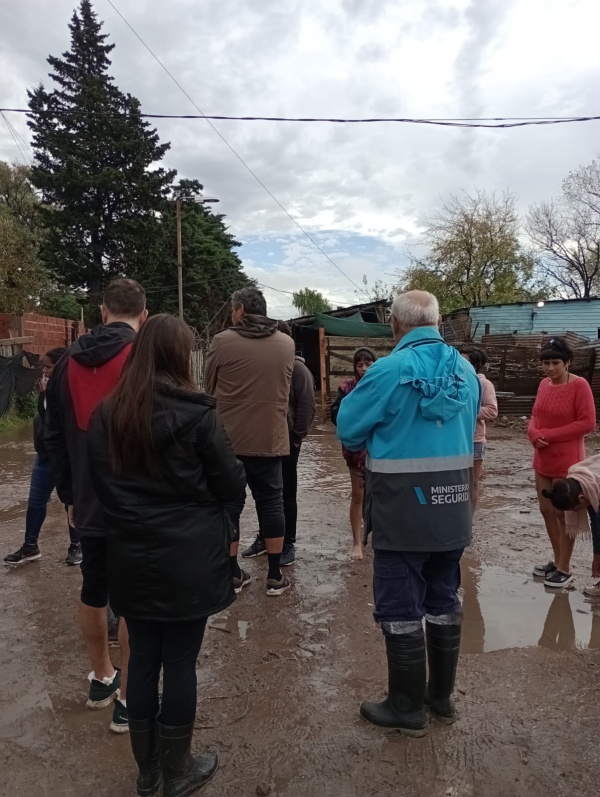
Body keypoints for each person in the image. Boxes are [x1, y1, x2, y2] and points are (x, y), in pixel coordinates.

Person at [88, 314, 246, 797]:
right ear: (180, 356)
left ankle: (148, 773)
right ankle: (178, 771)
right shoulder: (198, 414)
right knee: (179, 663)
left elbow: (99, 486)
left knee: (140, 660)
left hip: (129, 556)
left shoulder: (107, 414)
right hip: (188, 560)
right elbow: (231, 484)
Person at [337, 290, 480, 737]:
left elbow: (348, 429)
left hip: (402, 509)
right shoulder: (466, 372)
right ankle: (440, 697)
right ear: (437, 322)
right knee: (443, 599)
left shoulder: (387, 371)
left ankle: (405, 706)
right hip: (453, 508)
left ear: (396, 325)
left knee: (400, 606)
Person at [44, 278, 148, 733]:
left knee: (94, 587)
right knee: (135, 600)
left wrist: (69, 495)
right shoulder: (144, 358)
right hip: (138, 501)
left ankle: (102, 678)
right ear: (143, 315)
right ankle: (129, 699)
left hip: (87, 499)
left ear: (102, 312)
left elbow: (50, 438)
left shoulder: (66, 363)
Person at [205, 287, 295, 596]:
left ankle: (233, 573)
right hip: (270, 438)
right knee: (271, 502)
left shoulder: (221, 341)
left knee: (230, 504)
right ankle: (274, 575)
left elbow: (208, 388)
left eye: (233, 310)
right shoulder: (286, 344)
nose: (232, 315)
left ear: (241, 309)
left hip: (228, 441)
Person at [242, 321, 315, 567]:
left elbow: (307, 405)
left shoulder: (298, 370)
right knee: (262, 493)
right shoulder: (264, 368)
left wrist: (296, 438)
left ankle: (288, 542)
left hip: (286, 442)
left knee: (286, 494)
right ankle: (265, 537)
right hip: (262, 439)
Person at [527, 337, 596, 588]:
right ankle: (557, 561)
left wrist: (549, 435)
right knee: (547, 510)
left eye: (555, 362)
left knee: (563, 514)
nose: (550, 368)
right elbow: (535, 415)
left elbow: (587, 423)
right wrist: (532, 433)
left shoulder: (580, 386)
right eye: (546, 363)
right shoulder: (543, 384)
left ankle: (565, 567)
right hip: (542, 457)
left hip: (568, 461)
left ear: (567, 362)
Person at [4, 347, 82, 567]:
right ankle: (30, 546)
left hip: (66, 459)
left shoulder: (72, 393)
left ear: (62, 367)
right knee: (36, 501)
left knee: (71, 501)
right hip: (45, 457)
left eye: (48, 367)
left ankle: (76, 545)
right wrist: (44, 395)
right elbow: (45, 420)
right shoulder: (47, 391)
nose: (44, 371)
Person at [330, 347, 377, 560]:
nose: (364, 368)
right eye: (359, 364)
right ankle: (357, 543)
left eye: (368, 363)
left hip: (380, 449)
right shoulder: (346, 388)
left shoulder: (382, 385)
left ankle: (378, 538)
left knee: (380, 495)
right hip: (356, 451)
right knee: (358, 495)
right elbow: (335, 415)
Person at [540, 454, 600, 597]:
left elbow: (597, 522)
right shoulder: (578, 481)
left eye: (575, 509)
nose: (575, 513)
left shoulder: (593, 487)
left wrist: (597, 556)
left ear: (581, 498)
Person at [459, 346, 498, 510]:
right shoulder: (456, 381)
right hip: (457, 438)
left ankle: (470, 517)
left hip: (475, 439)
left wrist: (466, 410)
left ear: (475, 365)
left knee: (472, 482)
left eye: (464, 361)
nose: (459, 364)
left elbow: (492, 411)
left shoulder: (484, 384)